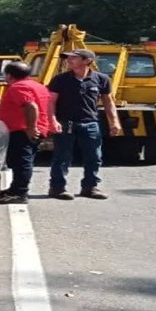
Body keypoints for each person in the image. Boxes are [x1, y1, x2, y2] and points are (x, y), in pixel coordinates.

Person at [48, 49, 122, 200]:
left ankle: (90, 187)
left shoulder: (102, 79)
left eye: (73, 58)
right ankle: (57, 188)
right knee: (62, 157)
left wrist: (114, 122)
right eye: (68, 58)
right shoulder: (60, 79)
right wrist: (52, 120)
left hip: (90, 123)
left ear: (87, 61)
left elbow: (108, 102)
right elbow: (51, 102)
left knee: (94, 157)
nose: (69, 61)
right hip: (65, 123)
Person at [0, 61, 50, 204]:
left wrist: (31, 127)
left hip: (22, 130)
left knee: (21, 163)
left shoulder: (18, 87)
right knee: (22, 161)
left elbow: (31, 106)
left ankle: (19, 193)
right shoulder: (38, 86)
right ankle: (15, 190)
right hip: (32, 129)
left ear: (9, 75)